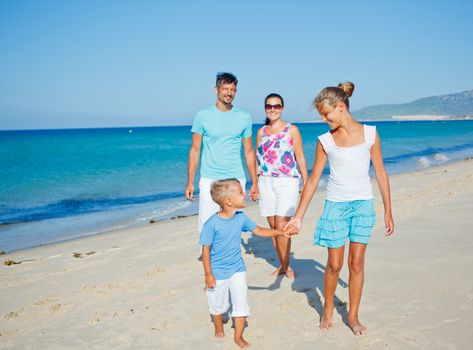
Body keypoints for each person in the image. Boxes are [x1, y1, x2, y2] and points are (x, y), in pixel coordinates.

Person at [286, 82, 394, 335]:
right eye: (321, 115)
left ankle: (353, 316)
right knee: (334, 265)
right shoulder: (325, 141)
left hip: (362, 205)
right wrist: (298, 217)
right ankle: (328, 308)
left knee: (356, 263)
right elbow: (313, 180)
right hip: (335, 206)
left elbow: (380, 171)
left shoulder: (370, 134)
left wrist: (388, 210)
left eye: (326, 114)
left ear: (341, 107)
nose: (324, 119)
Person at [200, 178, 295, 348]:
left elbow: (259, 230)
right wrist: (208, 274)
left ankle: (238, 336)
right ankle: (218, 326)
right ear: (229, 201)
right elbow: (205, 250)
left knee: (241, 302)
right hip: (218, 272)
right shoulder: (211, 224)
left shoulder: (241, 217)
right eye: (240, 192)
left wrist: (281, 232)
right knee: (217, 304)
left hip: (237, 269)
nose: (245, 194)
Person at [186, 72, 259, 248]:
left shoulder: (244, 117)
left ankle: (228, 258)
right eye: (225, 89)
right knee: (206, 223)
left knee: (232, 224)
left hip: (235, 178)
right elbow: (195, 150)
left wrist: (254, 182)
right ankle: (209, 263)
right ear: (216, 90)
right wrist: (190, 182)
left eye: (233, 89)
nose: (229, 93)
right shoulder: (202, 116)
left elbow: (249, 151)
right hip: (210, 178)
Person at [255, 93, 308, 278]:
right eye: (269, 106)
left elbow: (300, 156)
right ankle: (283, 265)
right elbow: (258, 159)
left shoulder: (291, 129)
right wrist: (254, 184)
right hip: (265, 181)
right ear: (265, 109)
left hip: (287, 181)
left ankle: (287, 266)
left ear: (282, 108)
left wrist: (307, 180)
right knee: (273, 229)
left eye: (277, 106)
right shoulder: (261, 132)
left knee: (282, 226)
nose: (273, 109)